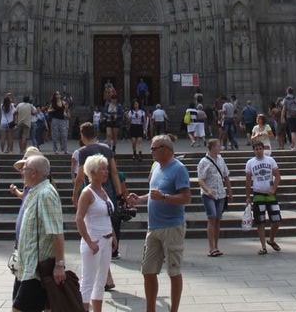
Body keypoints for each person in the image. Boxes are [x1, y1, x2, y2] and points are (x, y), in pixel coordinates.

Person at [127, 134, 191, 312]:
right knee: (148, 270)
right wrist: (139, 199)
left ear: (165, 149)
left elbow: (186, 198)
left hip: (172, 226)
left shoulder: (178, 169)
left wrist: (165, 197)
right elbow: (153, 193)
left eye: (153, 148)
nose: (150, 151)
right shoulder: (156, 167)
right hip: (153, 227)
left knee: (174, 271)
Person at [12, 154, 66, 312]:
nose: (22, 172)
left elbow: (57, 233)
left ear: (34, 172)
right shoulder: (34, 191)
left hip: (37, 271)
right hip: (27, 267)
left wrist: (59, 265)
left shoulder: (46, 194)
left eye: (24, 169)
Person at [76, 154, 117, 312]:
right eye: (102, 169)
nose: (106, 172)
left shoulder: (103, 191)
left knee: (101, 282)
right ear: (92, 172)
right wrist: (89, 241)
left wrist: (112, 235)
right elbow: (79, 219)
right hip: (94, 242)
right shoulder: (87, 193)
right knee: (88, 282)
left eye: (106, 169)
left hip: (106, 240)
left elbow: (107, 215)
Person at [245, 140, 282, 254]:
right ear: (254, 150)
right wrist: (248, 197)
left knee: (276, 219)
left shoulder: (270, 160)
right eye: (256, 149)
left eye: (260, 148)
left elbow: (277, 176)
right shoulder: (250, 163)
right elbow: (247, 181)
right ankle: (263, 246)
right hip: (258, 194)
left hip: (270, 194)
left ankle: (271, 240)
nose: (259, 151)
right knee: (260, 222)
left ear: (263, 149)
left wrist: (274, 188)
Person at [197, 138, 232, 257]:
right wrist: (208, 190)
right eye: (218, 146)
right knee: (212, 218)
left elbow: (226, 176)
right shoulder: (204, 162)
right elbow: (200, 179)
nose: (219, 148)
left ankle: (216, 246)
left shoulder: (221, 160)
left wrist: (230, 192)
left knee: (217, 220)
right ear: (212, 147)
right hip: (208, 194)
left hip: (220, 193)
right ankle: (211, 248)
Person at [280, 86, 296, 151]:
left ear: (287, 91)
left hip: (290, 116)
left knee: (292, 132)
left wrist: (282, 117)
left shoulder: (286, 99)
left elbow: (284, 109)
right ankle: (294, 144)